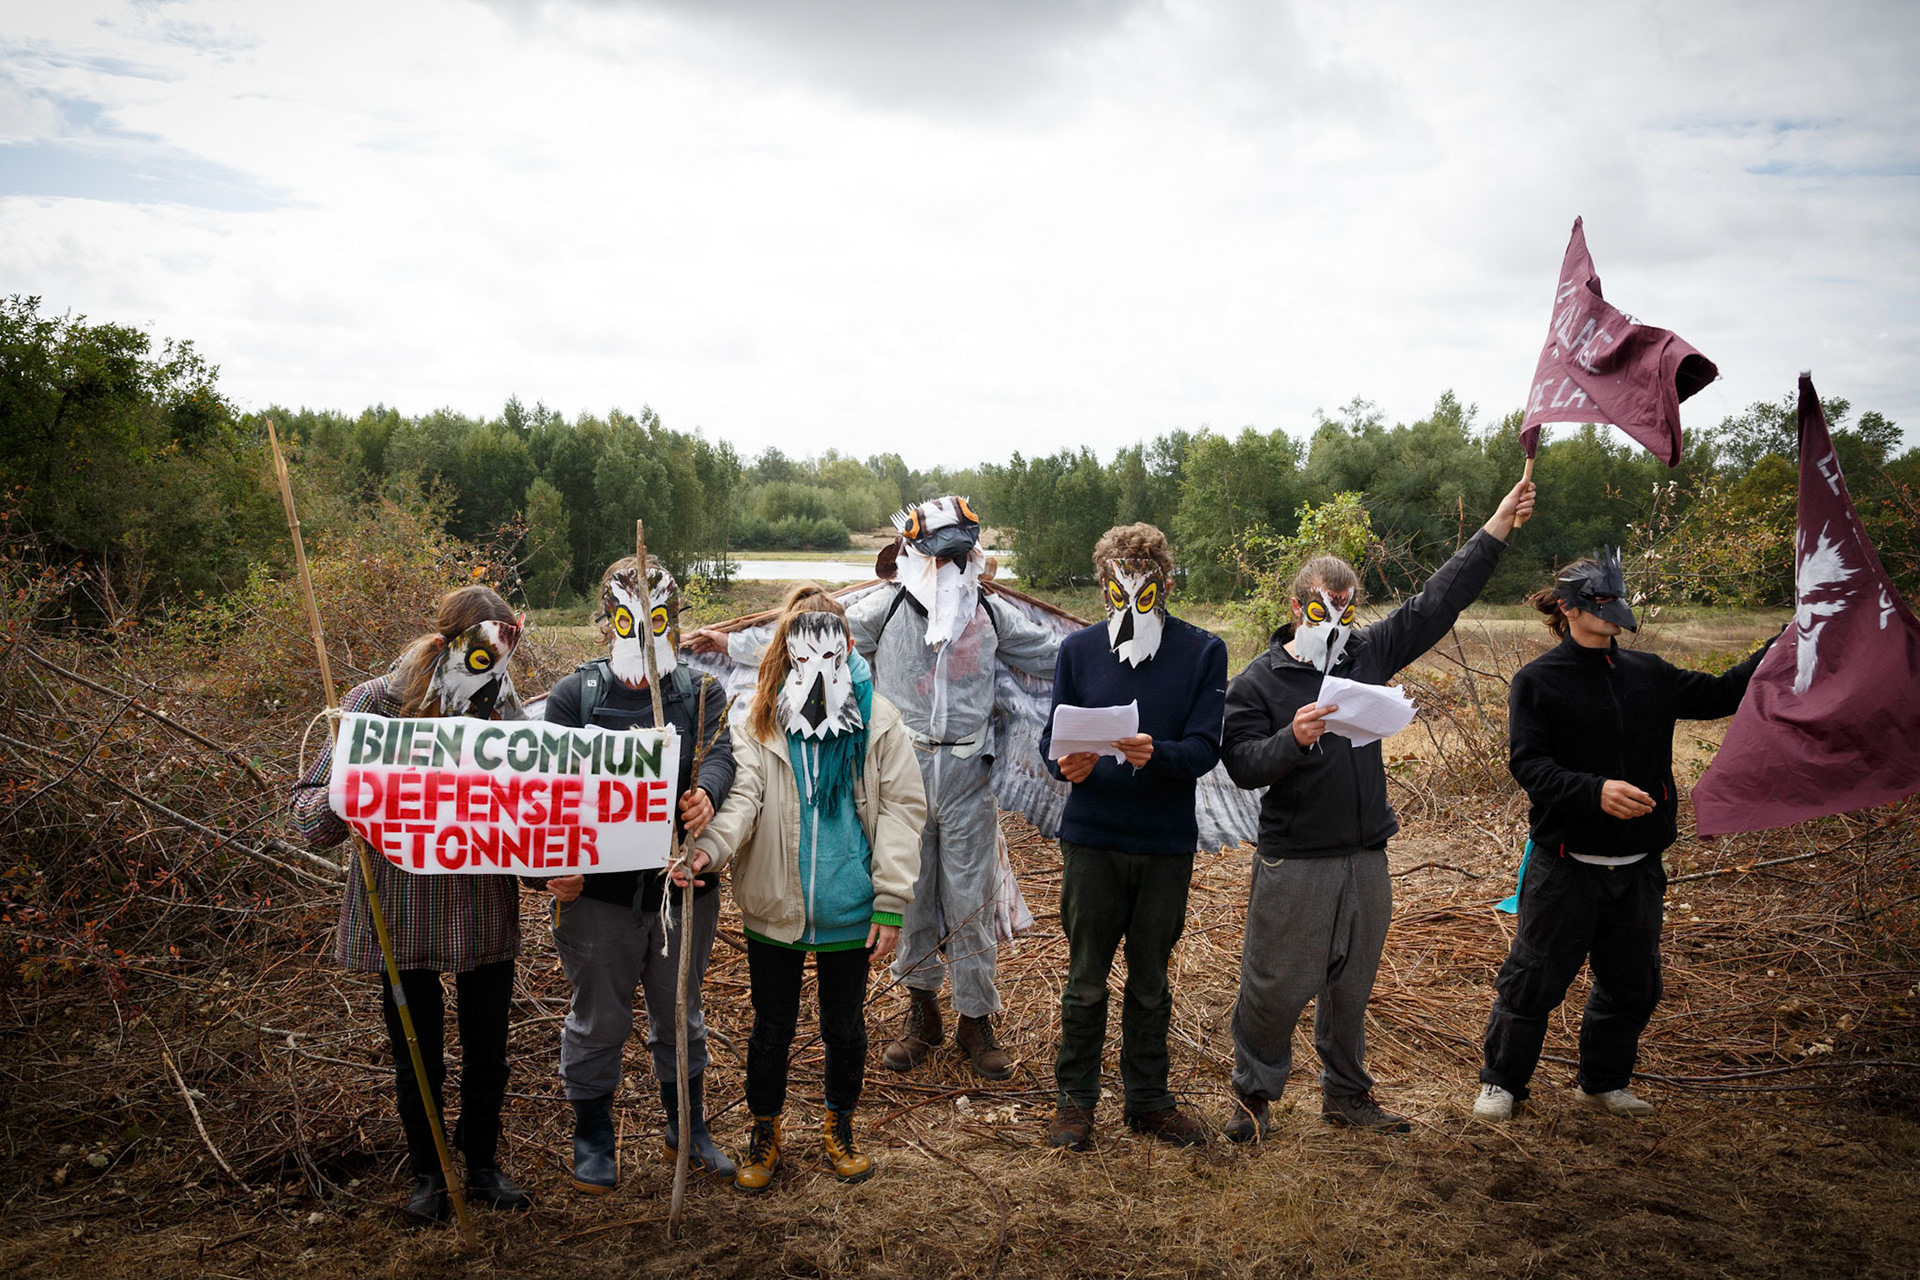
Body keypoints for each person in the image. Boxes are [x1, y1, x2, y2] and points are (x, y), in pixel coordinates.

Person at [691, 496, 1059, 1080]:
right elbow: (806, 639)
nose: (948, 571)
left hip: (969, 778)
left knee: (972, 896)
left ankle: (975, 1020)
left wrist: (1115, 650)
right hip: (899, 774)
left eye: (959, 558)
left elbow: (1053, 650)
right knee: (906, 895)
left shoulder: (989, 615)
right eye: (938, 559)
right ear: (912, 556)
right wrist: (729, 644)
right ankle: (921, 1012)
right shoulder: (882, 612)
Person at [1221, 477, 1536, 1140]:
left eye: (1343, 609)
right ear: (1294, 604)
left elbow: (1435, 605)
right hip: (1296, 858)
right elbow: (1243, 766)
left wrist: (1497, 524)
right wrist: (1294, 737)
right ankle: (1252, 1093)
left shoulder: (1366, 655)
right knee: (1275, 984)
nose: (1332, 621)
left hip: (1365, 853)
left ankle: (1347, 1096)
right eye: (1319, 609)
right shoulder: (1259, 681)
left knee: (1350, 987)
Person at [1473, 551, 1776, 1122]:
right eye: (1600, 602)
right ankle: (1502, 1083)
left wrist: (1787, 639)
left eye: (1618, 601)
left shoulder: (1650, 673)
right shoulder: (1538, 681)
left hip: (1637, 867)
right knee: (1532, 981)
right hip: (1565, 865)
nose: (1614, 613)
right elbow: (1529, 765)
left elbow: (1722, 694)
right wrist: (1595, 791)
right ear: (1568, 607)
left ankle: (1603, 1082)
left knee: (1632, 984)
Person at [290, 584, 533, 1224]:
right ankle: (430, 1172)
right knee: (416, 1054)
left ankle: (480, 1164)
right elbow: (307, 818)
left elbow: (536, 817)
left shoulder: (504, 717)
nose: (492, 669)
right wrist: (344, 793)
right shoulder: (374, 706)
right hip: (402, 909)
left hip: (483, 906)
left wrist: (554, 870)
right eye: (481, 653)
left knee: (489, 1050)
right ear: (444, 644)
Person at [682, 584, 927, 1192]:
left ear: (847, 646)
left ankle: (840, 1129)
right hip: (776, 906)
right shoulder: (761, 721)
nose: (816, 667)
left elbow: (901, 810)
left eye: (829, 652)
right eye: (802, 653)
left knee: (844, 1027)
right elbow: (743, 799)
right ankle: (764, 1133)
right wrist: (708, 850)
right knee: (771, 1027)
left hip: (850, 907)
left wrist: (891, 902)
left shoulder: (879, 721)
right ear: (787, 652)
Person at [538, 555, 736, 1192]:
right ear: (607, 621)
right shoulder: (576, 697)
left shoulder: (701, 692)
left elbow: (721, 754)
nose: (644, 635)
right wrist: (556, 870)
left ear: (674, 622)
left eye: (656, 619)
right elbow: (550, 791)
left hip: (682, 890)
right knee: (599, 1016)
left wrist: (704, 792)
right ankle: (592, 1134)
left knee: (681, 1010)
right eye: (629, 619)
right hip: (598, 898)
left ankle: (688, 1124)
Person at [1038, 524, 1227, 1150]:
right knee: (1086, 976)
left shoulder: (1203, 652)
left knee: (1151, 980)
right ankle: (1075, 1105)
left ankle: (1147, 1101)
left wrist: (1157, 755)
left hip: (1164, 841)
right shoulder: (1079, 652)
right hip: (1092, 837)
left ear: (1165, 585)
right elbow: (1052, 740)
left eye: (1143, 592)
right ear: (1103, 588)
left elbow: (1204, 748)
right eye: (1118, 592)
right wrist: (1066, 764)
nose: (1129, 602)